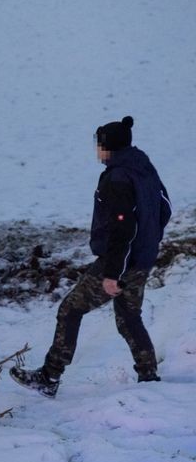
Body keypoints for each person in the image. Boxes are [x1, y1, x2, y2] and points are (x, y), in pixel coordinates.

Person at [12, 116, 172, 397]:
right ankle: (149, 378)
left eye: (98, 144)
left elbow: (124, 227)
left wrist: (112, 274)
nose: (96, 150)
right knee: (129, 318)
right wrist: (149, 242)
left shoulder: (118, 178)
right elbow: (165, 208)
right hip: (142, 259)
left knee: (70, 310)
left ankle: (49, 378)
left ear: (108, 146)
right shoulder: (143, 167)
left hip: (120, 262)